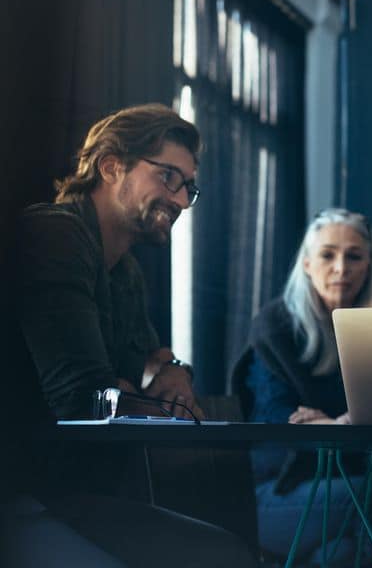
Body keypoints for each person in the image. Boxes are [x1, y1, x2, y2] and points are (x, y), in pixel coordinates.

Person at [9, 103, 255, 567]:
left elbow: (149, 359)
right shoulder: (54, 234)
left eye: (189, 187)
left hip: (72, 493)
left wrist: (172, 372)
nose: (182, 201)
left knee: (228, 551)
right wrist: (137, 394)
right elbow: (82, 398)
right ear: (110, 166)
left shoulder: (126, 270)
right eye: (168, 177)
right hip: (22, 493)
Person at [232, 208, 372, 565]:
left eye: (354, 256)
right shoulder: (276, 325)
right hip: (275, 493)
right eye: (328, 255)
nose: (341, 268)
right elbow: (280, 418)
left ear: (369, 265)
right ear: (307, 264)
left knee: (339, 554)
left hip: (340, 491)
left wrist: (330, 423)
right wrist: (343, 424)